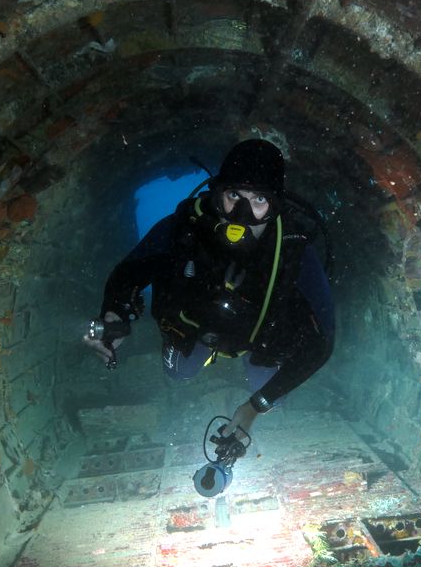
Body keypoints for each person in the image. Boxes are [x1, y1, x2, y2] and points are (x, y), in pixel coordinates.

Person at [83, 139, 334, 441]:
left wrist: (256, 406)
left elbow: (322, 344)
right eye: (234, 195)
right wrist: (115, 313)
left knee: (273, 398)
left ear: (276, 206)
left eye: (259, 200)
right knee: (179, 374)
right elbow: (131, 271)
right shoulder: (184, 228)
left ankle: (254, 375)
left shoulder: (293, 251)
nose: (241, 214)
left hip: (259, 343)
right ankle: (199, 357)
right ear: (218, 194)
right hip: (196, 330)